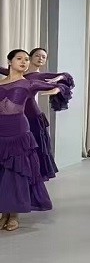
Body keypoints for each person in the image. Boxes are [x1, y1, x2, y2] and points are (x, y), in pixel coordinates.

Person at [0, 50, 66, 231]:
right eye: (19, 59)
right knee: (3, 173)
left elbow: (62, 81)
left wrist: (58, 89)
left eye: (26, 59)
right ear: (10, 61)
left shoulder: (29, 83)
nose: (24, 62)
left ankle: (14, 214)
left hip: (18, 132)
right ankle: (3, 213)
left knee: (16, 173)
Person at [0, 47, 75, 181]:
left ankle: (31, 176)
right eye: (37, 56)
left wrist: (58, 81)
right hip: (13, 119)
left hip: (32, 116)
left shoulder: (39, 77)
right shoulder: (17, 72)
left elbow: (66, 77)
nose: (40, 58)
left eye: (43, 57)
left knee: (31, 149)